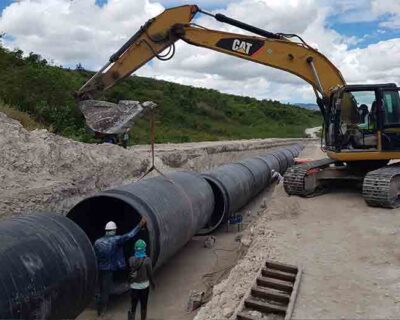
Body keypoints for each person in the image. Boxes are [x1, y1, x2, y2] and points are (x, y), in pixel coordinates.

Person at [94, 218, 146, 316]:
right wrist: (139, 225)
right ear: (113, 230)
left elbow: (94, 256)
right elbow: (129, 235)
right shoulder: (116, 239)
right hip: (109, 269)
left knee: (100, 288)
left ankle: (98, 302)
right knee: (105, 290)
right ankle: (101, 310)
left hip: (99, 268)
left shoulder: (97, 242)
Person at [128, 239, 155, 320]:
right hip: (144, 287)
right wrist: (153, 283)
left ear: (135, 248)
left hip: (134, 286)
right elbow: (150, 274)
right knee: (143, 306)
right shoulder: (147, 260)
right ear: (144, 248)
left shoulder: (131, 259)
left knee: (133, 305)